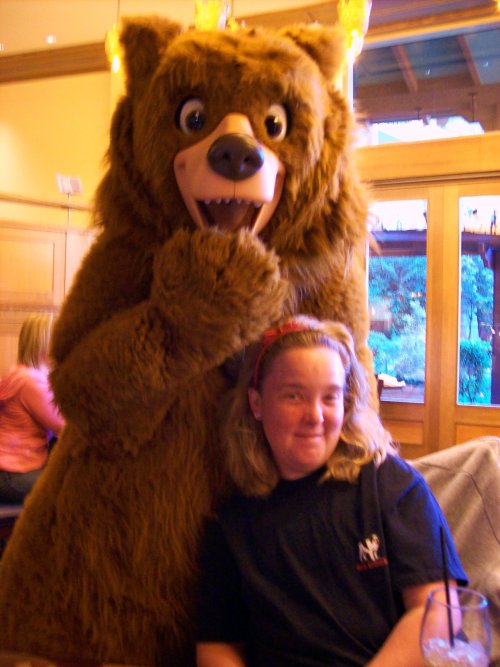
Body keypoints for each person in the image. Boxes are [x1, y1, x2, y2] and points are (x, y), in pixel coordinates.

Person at [196, 315, 467, 667]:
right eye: (294, 395)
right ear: (257, 403)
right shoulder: (233, 523)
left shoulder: (390, 485)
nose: (315, 415)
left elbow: (440, 612)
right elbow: (218, 648)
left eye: (330, 397)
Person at [0, 313, 64, 503]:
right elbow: (66, 426)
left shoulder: (19, 372)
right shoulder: (30, 383)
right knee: (73, 486)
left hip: (11, 469)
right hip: (11, 475)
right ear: (44, 344)